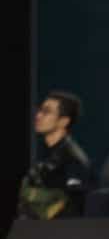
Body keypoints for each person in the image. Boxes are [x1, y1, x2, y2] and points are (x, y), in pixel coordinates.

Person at [18, 90, 91, 220]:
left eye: (46, 112)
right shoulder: (45, 154)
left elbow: (74, 207)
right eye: (40, 110)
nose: (38, 116)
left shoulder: (73, 160)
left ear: (63, 121)